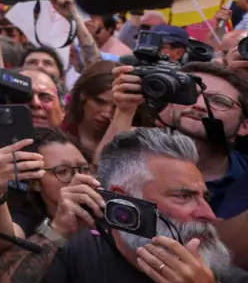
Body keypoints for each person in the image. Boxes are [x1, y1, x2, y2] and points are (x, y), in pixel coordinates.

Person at [0, 128, 248, 283]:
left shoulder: (230, 280)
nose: (208, 214)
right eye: (184, 196)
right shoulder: (80, 252)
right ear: (126, 200)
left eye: (205, 197)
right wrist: (57, 232)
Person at [98, 62, 248, 218]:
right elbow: (103, 178)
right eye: (189, 94)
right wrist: (124, 110)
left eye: (219, 101)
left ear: (245, 126)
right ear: (170, 106)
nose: (199, 105)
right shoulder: (141, 157)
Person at [0, 129, 92, 251]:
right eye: (62, 171)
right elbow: (4, 241)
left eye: (85, 169)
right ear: (36, 183)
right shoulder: (29, 218)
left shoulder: (104, 207)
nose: (79, 177)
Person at [61, 62, 116, 160]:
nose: (107, 114)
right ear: (83, 94)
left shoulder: (130, 137)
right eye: (100, 102)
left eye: (116, 107)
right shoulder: (60, 131)